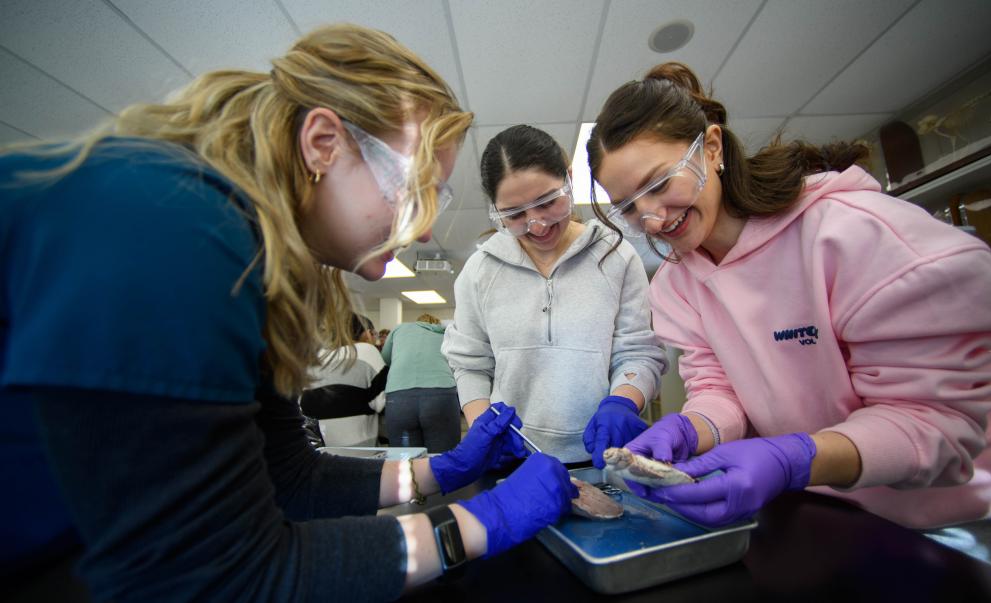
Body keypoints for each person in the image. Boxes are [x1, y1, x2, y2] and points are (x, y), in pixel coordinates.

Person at [0, 24, 577, 601]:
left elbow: (292, 480)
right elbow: (221, 577)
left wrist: (438, 471)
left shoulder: (243, 252)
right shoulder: (176, 228)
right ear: (323, 143)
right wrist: (478, 525)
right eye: (416, 188)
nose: (426, 227)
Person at [585, 62, 991, 533]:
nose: (651, 219)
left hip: (975, 512)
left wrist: (796, 457)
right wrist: (694, 426)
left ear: (711, 148)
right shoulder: (678, 285)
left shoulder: (850, 235)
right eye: (629, 206)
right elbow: (720, 389)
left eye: (658, 184)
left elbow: (934, 421)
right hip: (843, 509)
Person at [443, 125, 667, 465]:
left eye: (548, 202)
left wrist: (624, 401)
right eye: (515, 215)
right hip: (513, 454)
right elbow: (469, 363)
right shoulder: (479, 271)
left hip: (600, 452)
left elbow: (638, 353)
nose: (537, 225)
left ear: (569, 179)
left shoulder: (616, 256)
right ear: (496, 210)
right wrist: (481, 427)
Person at [302, 314, 387, 447]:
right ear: (366, 332)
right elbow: (383, 403)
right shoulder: (366, 350)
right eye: (374, 334)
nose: (375, 340)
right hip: (358, 450)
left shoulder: (314, 358)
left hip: (316, 448)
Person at [381, 313, 461, 452]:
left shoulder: (400, 329)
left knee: (405, 460)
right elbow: (458, 362)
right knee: (444, 457)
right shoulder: (446, 333)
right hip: (441, 395)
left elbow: (386, 358)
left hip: (399, 397)